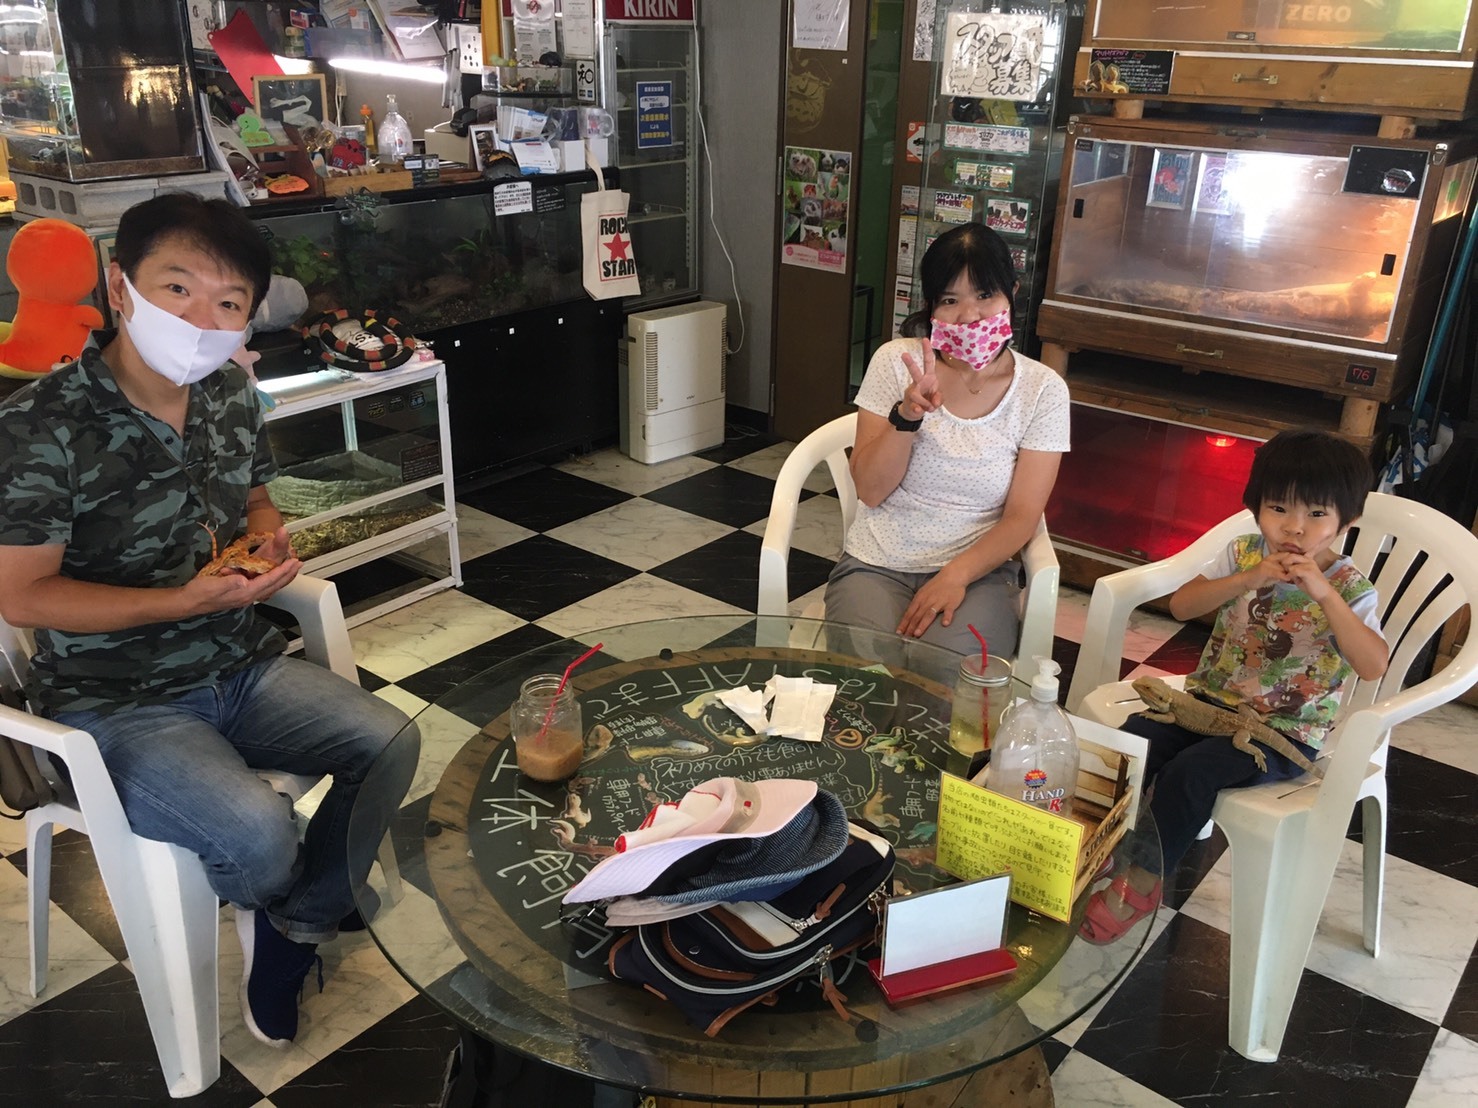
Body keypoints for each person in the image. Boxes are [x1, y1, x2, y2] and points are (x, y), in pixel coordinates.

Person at [0, 192, 419, 1046]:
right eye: (177, 289)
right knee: (258, 836)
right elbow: (22, 594)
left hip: (236, 657)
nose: (201, 320)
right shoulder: (39, 426)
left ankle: (294, 925)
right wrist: (181, 600)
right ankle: (305, 896)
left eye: (229, 303)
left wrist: (265, 540)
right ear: (121, 286)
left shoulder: (229, 391)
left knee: (391, 742)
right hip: (116, 697)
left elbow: (255, 497)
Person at [1079, 429, 1388, 943]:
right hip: (1207, 702)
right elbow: (1182, 606)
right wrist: (1247, 580)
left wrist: (1325, 595)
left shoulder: (1350, 588)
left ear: (1346, 521)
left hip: (1284, 731)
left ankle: (1141, 878)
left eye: (1316, 514)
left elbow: (1373, 665)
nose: (1294, 528)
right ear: (1255, 507)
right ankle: (1094, 843)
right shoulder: (1243, 554)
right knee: (1130, 742)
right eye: (1278, 508)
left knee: (1191, 774)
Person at [824, 222, 1069, 657]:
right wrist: (907, 416)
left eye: (985, 295)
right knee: (864, 673)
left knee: (946, 674)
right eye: (950, 300)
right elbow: (871, 491)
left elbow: (1022, 517)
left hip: (979, 574)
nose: (969, 315)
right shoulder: (895, 362)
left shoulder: (1043, 390)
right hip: (877, 561)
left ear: (1012, 293)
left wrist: (955, 575)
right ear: (931, 306)